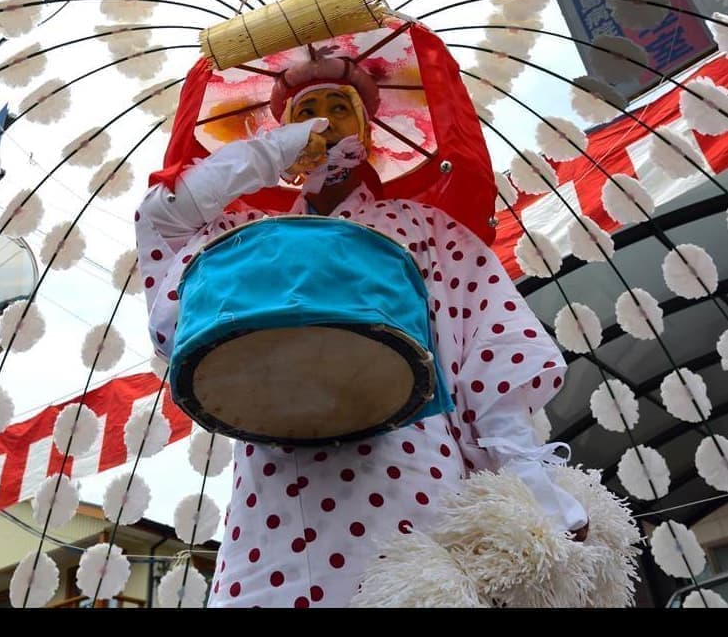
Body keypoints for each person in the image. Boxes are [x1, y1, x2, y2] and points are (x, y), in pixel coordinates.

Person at [135, 53, 589, 608]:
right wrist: (274, 151)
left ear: (367, 130)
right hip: (272, 489)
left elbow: (490, 353)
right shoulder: (249, 233)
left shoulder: (426, 228)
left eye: (337, 108)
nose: (323, 122)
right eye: (307, 111)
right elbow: (161, 217)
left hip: (410, 471)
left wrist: (528, 480)